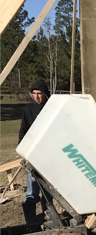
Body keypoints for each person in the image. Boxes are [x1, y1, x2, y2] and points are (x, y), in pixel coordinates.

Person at [18, 80, 50, 223]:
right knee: (32, 190)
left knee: (48, 190)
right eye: (34, 93)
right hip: (32, 155)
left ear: (44, 94)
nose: (37, 97)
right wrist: (24, 152)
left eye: (39, 93)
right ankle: (30, 221)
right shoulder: (28, 110)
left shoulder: (50, 109)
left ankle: (49, 216)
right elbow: (23, 132)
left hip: (48, 156)